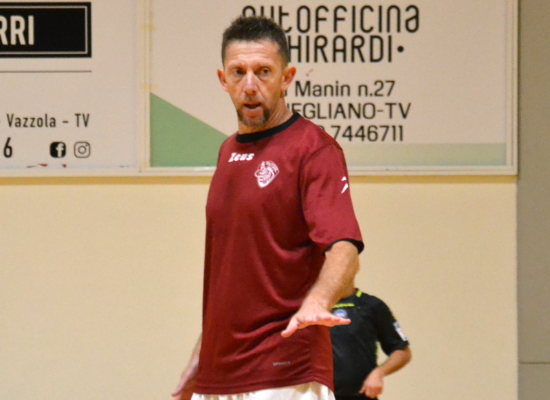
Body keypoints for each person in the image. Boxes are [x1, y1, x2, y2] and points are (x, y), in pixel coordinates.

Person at [172, 15, 364, 400]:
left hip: (284, 368)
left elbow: (344, 248)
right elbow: (233, 276)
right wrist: (202, 354)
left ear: (286, 77)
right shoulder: (227, 151)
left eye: (263, 72)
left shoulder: (314, 149)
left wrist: (318, 301)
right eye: (238, 72)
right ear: (222, 79)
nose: (250, 85)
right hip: (219, 372)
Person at [330, 280, 411, 400]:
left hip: (362, 395)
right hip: (320, 395)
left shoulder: (372, 305)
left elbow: (402, 351)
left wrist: (379, 373)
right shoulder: (312, 307)